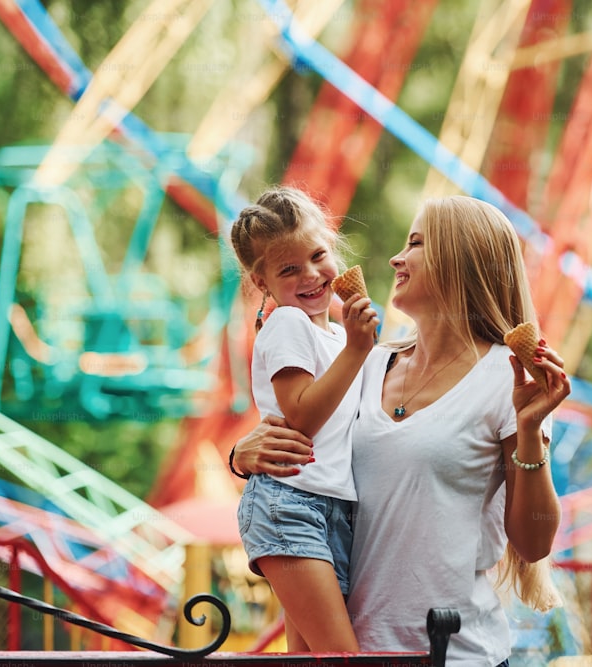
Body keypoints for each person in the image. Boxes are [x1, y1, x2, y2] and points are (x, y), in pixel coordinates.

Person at [231, 195, 570, 666]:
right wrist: (242, 454)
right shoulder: (365, 364)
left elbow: (534, 543)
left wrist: (530, 430)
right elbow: (304, 438)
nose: (395, 257)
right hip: (355, 651)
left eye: (415, 243)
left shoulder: (510, 379)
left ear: (459, 260)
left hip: (456, 653)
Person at [228, 185, 379, 652]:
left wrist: (355, 346)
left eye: (318, 256)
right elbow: (300, 418)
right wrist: (358, 349)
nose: (311, 276)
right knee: (341, 656)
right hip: (291, 503)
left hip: (333, 507)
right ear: (262, 282)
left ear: (333, 248)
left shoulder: (334, 336)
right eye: (289, 269)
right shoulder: (289, 323)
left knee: (311, 655)